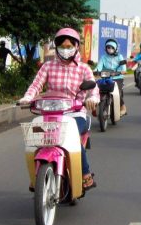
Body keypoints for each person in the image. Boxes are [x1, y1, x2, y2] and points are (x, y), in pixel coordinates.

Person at [19, 28, 99, 191]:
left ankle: (85, 174)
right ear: (56, 47)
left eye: (69, 45)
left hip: (75, 113)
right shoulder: (48, 66)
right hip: (49, 112)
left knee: (74, 137)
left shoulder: (84, 68)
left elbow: (93, 88)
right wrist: (27, 98)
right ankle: (37, 173)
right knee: (35, 137)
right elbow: (36, 84)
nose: (66, 49)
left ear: (76, 46)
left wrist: (92, 99)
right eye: (62, 46)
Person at [94, 38, 128, 116]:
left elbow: (123, 68)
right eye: (108, 47)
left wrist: (122, 71)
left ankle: (123, 107)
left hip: (118, 77)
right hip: (105, 76)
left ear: (115, 48)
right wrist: (94, 71)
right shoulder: (103, 57)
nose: (110, 49)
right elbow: (98, 67)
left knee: (117, 92)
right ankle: (95, 108)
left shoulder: (120, 57)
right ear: (106, 48)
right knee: (97, 89)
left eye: (112, 47)